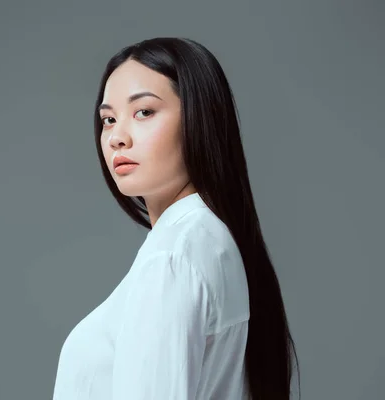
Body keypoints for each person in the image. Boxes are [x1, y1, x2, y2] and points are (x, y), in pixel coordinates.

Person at [52, 37, 300, 400]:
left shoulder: (172, 257)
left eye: (144, 112)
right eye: (108, 119)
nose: (117, 137)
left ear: (200, 117)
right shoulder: (210, 240)